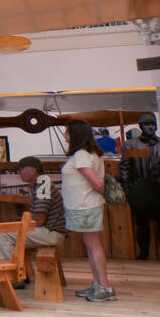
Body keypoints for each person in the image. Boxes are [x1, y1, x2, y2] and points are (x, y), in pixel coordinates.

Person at [62, 119, 115, 301]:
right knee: (91, 245)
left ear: (75, 134)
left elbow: (98, 184)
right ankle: (97, 283)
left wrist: (100, 190)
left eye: (67, 132)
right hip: (85, 205)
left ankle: (104, 286)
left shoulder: (82, 155)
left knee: (93, 245)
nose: (64, 135)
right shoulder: (87, 154)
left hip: (85, 205)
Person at [0, 156, 65, 289]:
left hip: (51, 233)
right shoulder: (41, 184)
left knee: (3, 234)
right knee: (9, 232)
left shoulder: (43, 185)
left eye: (21, 170)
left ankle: (12, 277)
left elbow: (39, 220)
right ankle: (19, 273)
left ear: (32, 171)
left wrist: (19, 226)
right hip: (50, 231)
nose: (18, 173)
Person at [119, 113, 160, 261]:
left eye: (152, 123)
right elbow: (125, 168)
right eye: (146, 124)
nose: (150, 127)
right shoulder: (130, 145)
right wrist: (127, 188)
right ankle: (144, 252)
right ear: (140, 126)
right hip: (140, 191)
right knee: (142, 224)